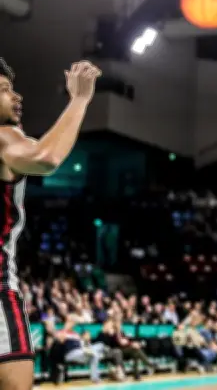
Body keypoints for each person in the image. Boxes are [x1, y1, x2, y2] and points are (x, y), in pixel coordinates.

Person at [0, 58, 100, 390]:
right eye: (4, 90)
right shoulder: (3, 137)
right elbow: (46, 158)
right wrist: (80, 99)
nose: (17, 97)